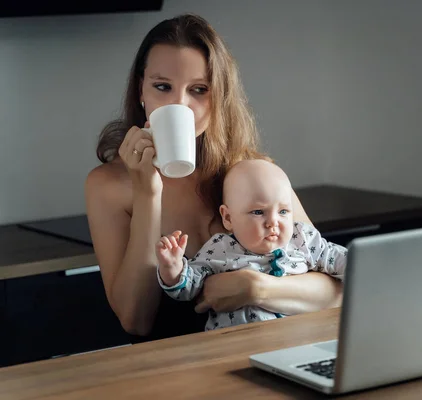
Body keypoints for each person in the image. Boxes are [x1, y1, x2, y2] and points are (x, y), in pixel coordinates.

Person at [84, 13, 343, 341]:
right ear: (141, 91)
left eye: (199, 90)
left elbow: (335, 291)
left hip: (272, 354)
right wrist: (147, 192)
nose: (180, 104)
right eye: (162, 87)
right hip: (176, 370)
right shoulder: (108, 185)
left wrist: (255, 287)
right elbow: (136, 320)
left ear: (219, 95)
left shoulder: (253, 173)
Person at [156, 159, 347, 330]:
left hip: (300, 338)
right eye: (258, 212)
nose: (273, 222)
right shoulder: (220, 248)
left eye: (283, 211)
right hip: (238, 345)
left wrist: (365, 265)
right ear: (228, 217)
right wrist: (173, 268)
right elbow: (187, 289)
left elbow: (340, 261)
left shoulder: (301, 237)